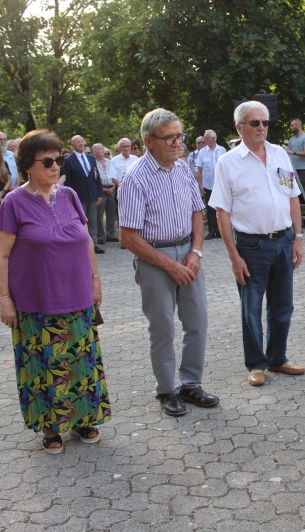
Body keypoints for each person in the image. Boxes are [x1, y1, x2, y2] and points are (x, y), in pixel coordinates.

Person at [0, 129, 111, 454]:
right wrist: (4, 299)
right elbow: (1, 255)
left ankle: (84, 418)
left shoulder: (70, 196)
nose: (56, 166)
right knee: (43, 367)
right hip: (36, 302)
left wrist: (96, 279)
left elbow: (86, 241)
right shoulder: (14, 202)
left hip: (77, 297)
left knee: (81, 361)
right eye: (48, 161)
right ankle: (50, 427)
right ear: (27, 166)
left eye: (59, 158)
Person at [119, 108, 218, 416]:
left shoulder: (183, 169)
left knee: (197, 322)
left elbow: (196, 213)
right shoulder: (134, 178)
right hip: (153, 259)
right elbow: (128, 237)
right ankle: (167, 390)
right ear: (149, 142)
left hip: (188, 253)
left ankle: (191, 384)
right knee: (162, 328)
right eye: (170, 138)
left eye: (180, 136)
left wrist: (195, 252)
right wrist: (169, 264)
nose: (178, 143)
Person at [211, 100, 305, 387]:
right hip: (251, 247)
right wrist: (233, 256)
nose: (262, 127)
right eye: (255, 123)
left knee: (283, 306)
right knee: (251, 308)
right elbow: (222, 212)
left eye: (265, 122)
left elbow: (292, 197)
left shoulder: (279, 154)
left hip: (284, 241)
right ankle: (256, 364)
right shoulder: (227, 162)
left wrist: (298, 239)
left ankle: (277, 358)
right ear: (240, 127)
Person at [60, 135, 103, 253]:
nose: (80, 144)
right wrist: (69, 197)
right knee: (81, 221)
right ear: (72, 145)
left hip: (92, 194)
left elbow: (96, 176)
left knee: (93, 220)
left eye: (82, 141)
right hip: (78, 195)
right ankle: (83, 244)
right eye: (77, 142)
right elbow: (67, 181)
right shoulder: (68, 160)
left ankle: (94, 244)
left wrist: (99, 193)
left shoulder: (90, 158)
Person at [196, 130, 226, 240]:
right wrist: (200, 185)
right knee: (210, 209)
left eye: (206, 137)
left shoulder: (222, 150)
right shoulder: (202, 152)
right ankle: (211, 230)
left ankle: (220, 230)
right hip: (208, 185)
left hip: (220, 185)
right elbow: (199, 170)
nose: (204, 140)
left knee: (220, 208)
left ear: (213, 139)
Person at [92, 143, 118, 244]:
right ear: (94, 151)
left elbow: (114, 174)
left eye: (103, 149)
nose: (103, 151)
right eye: (100, 149)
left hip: (111, 188)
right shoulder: (93, 162)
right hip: (101, 190)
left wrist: (113, 187)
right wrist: (102, 189)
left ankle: (110, 234)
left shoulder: (109, 162)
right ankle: (100, 236)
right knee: (99, 214)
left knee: (111, 213)